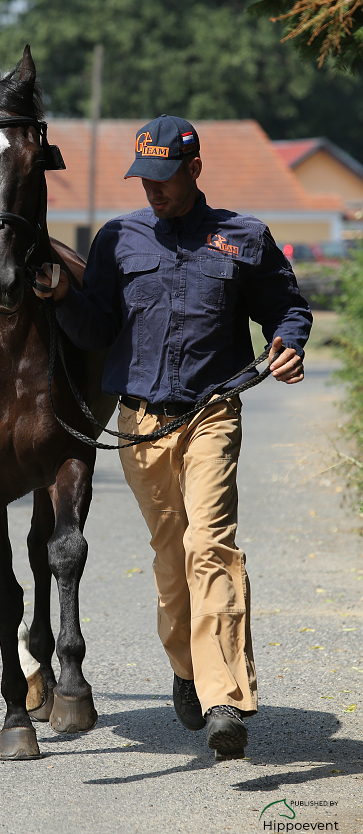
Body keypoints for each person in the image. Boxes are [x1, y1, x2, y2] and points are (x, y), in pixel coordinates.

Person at [34, 115, 312, 760]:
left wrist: (288, 344)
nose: (152, 190)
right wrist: (58, 297)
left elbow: (286, 307)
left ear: (194, 170)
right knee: (169, 557)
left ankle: (225, 701)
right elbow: (97, 328)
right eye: (144, 178)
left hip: (214, 411)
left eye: (164, 177)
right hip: (141, 425)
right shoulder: (118, 239)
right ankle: (186, 670)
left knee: (209, 544)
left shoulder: (244, 237)